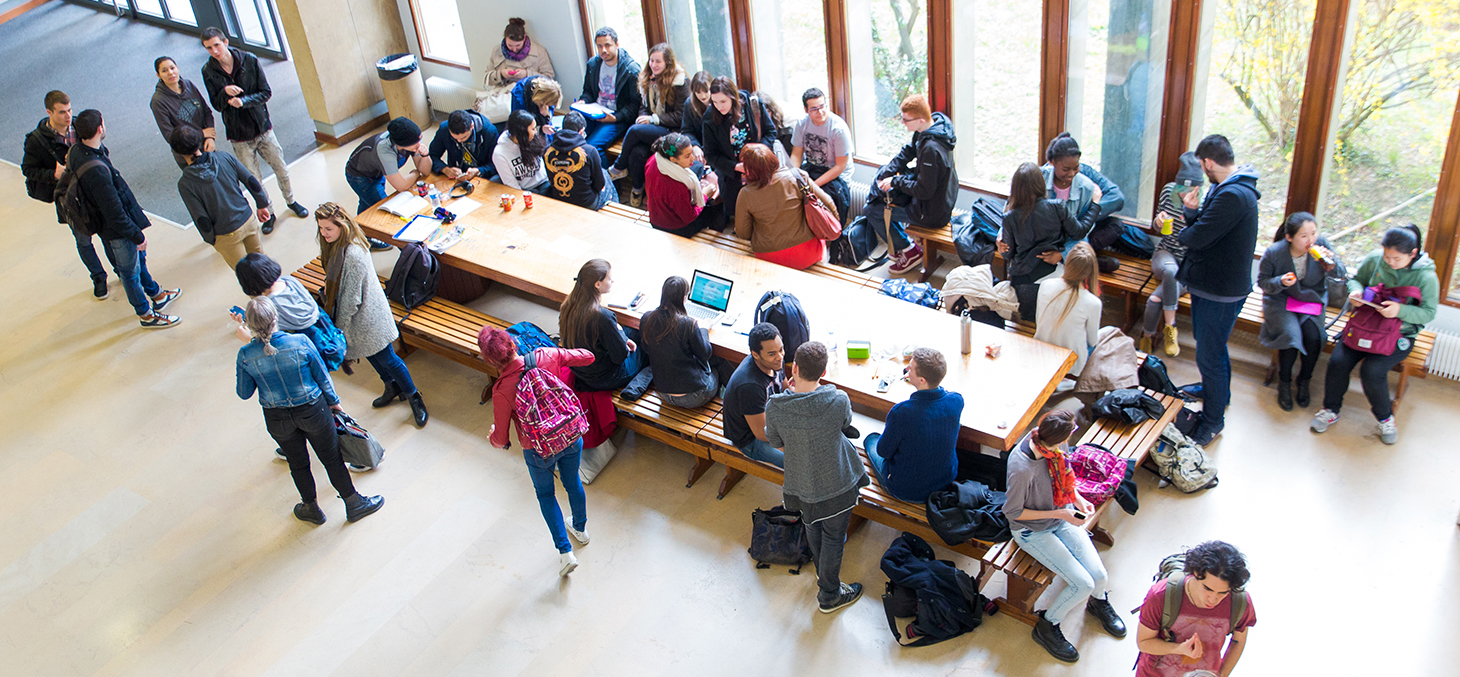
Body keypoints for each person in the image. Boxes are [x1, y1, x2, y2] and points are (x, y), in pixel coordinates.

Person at [235, 296, 384, 525]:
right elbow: (322, 377)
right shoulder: (300, 342)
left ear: (250, 324)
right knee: (332, 458)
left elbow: (244, 393)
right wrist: (335, 403)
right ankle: (354, 503)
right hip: (313, 410)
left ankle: (310, 508)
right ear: (276, 318)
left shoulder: (245, 355)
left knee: (297, 463)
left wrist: (248, 347)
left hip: (276, 418)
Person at [1003, 410, 1125, 663]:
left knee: (1100, 577)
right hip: (1032, 530)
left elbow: (1065, 478)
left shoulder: (1054, 444)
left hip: (1061, 517)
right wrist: (1061, 513)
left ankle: (1097, 603)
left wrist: (1076, 499)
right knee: (1083, 584)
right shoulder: (1022, 468)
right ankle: (1047, 626)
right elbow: (1013, 512)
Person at [480, 327, 593, 577]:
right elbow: (587, 357)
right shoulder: (545, 355)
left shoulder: (501, 390)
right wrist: (560, 354)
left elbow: (501, 439)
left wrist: (492, 436)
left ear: (491, 361)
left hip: (538, 449)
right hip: (569, 433)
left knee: (545, 494)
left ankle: (565, 553)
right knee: (573, 482)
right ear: (513, 344)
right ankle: (581, 529)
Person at [766, 341, 869, 613]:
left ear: (795, 368)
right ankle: (829, 595)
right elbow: (845, 424)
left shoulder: (776, 406)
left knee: (812, 527)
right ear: (823, 372)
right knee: (834, 537)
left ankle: (824, 578)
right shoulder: (838, 399)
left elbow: (775, 441)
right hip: (838, 482)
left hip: (802, 484)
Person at [1312, 224, 1437, 444]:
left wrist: (1400, 310)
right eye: (1387, 256)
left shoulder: (1426, 277)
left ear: (1413, 254)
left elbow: (1428, 313)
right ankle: (1330, 410)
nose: (1390, 262)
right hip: (1364, 325)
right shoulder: (1375, 259)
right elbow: (1356, 279)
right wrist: (1356, 291)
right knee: (1338, 362)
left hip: (1399, 333)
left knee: (1372, 371)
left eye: (1397, 258)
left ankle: (1386, 419)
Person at [1177, 134, 1260, 446]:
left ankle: (1212, 420)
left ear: (1208, 163)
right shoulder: (1227, 187)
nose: (1203, 171)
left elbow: (1197, 238)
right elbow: (1206, 228)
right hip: (1211, 284)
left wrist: (1186, 228)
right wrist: (1191, 212)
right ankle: (1219, 393)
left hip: (1220, 290)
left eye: (1202, 165)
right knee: (1213, 346)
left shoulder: (1233, 195)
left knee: (1209, 355)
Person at [315, 202, 429, 427]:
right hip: (355, 319)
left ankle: (414, 396)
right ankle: (391, 386)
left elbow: (351, 299)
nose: (323, 233)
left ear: (342, 225)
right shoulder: (336, 246)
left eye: (328, 228)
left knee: (388, 358)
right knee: (370, 355)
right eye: (321, 228)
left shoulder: (354, 254)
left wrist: (338, 328)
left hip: (369, 317)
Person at [68, 109, 183, 329]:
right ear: (100, 128)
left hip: (107, 224)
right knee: (130, 273)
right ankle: (146, 314)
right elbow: (115, 212)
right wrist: (136, 235)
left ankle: (157, 295)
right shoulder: (97, 172)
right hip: (117, 231)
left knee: (138, 262)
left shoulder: (78, 151)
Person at [200, 28, 308, 221]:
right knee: (254, 179)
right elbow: (216, 104)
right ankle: (269, 212)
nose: (214, 51)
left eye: (216, 45)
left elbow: (265, 92)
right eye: (209, 48)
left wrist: (244, 101)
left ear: (225, 42)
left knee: (281, 169)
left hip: (262, 128)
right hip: (239, 135)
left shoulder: (249, 60)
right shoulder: (208, 71)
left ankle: (291, 201)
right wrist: (225, 92)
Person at [22, 90, 111, 300]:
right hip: (70, 197)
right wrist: (53, 174)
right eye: (62, 112)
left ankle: (119, 269)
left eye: (69, 110)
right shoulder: (36, 140)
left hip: (93, 189)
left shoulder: (79, 125)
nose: (68, 116)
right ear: (49, 112)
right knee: (83, 240)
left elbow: (101, 149)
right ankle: (98, 277)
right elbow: (28, 169)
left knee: (108, 232)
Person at [1258, 212, 1345, 411]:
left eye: (1313, 233)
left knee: (1314, 337)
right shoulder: (1275, 252)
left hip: (1310, 299)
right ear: (1289, 237)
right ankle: (1284, 382)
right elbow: (1262, 282)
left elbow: (1341, 274)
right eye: (1304, 236)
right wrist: (1280, 281)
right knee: (1290, 336)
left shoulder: (1321, 245)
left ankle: (1304, 379)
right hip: (1281, 299)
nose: (1311, 240)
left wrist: (1331, 261)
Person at [868, 94, 959, 275]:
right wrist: (888, 172)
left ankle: (909, 251)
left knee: (872, 210)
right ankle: (900, 245)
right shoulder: (932, 126)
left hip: (932, 212)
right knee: (881, 193)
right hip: (933, 199)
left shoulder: (931, 149)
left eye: (906, 120)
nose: (902, 123)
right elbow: (908, 151)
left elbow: (924, 191)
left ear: (920, 120)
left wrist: (895, 181)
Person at [1135, 541, 1256, 677]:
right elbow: (1144, 642)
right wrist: (1179, 648)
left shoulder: (1240, 602)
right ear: (1196, 573)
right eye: (1207, 589)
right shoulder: (1160, 595)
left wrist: (1222, 675)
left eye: (1223, 593)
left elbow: (1238, 641)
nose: (1213, 599)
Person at [863, 347, 962, 503]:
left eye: (910, 369)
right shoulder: (957, 401)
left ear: (922, 380)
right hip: (944, 481)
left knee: (871, 439)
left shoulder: (902, 412)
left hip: (906, 490)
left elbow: (883, 452)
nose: (906, 371)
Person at [172, 125, 270, 267]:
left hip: (226, 234)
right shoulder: (224, 157)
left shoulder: (185, 184)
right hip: (248, 219)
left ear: (177, 152)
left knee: (245, 272)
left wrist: (211, 239)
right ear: (199, 141)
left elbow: (200, 218)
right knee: (262, 260)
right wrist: (262, 204)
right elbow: (251, 181)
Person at [607, 43, 689, 207]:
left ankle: (619, 166)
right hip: (655, 127)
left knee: (634, 131)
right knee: (636, 153)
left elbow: (680, 116)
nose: (653, 65)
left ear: (667, 62)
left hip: (672, 131)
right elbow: (644, 106)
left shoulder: (680, 82)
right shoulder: (648, 78)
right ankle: (638, 188)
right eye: (651, 60)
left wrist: (652, 120)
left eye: (658, 61)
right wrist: (643, 118)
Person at [1140, 152, 1204, 357]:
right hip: (1165, 253)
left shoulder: (1206, 204)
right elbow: (1157, 228)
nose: (1184, 195)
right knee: (1170, 270)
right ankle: (1171, 327)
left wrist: (1192, 215)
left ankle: (1147, 337)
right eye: (1181, 190)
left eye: (1190, 191)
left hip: (1189, 265)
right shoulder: (1168, 191)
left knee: (1154, 299)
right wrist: (1158, 222)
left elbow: (1202, 242)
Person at [735, 143, 835, 270]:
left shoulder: (745, 194)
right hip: (807, 254)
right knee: (821, 242)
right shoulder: (796, 177)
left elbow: (743, 233)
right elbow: (828, 202)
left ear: (748, 170)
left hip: (768, 257)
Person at [639, 276, 728, 408]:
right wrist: (703, 328)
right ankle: (734, 405)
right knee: (718, 365)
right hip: (693, 396)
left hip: (663, 392)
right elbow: (705, 354)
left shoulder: (647, 318)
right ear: (684, 298)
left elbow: (646, 348)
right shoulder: (687, 323)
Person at [559, 259, 644, 391]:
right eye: (609, 279)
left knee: (628, 332)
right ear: (597, 284)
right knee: (642, 341)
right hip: (606, 378)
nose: (612, 281)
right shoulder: (602, 316)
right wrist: (620, 333)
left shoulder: (568, 306)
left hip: (580, 372)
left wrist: (621, 335)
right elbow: (620, 357)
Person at [1042, 133, 1124, 271]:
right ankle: (1085, 260)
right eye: (1065, 169)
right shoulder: (1040, 177)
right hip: (1044, 241)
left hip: (1074, 236)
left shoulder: (1086, 185)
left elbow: (1117, 198)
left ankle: (1076, 257)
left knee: (1116, 225)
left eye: (1075, 168)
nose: (1071, 174)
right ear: (1052, 162)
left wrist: (1092, 210)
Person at [702, 76, 777, 219]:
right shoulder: (710, 117)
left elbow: (770, 132)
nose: (719, 107)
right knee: (740, 215)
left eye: (723, 101)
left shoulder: (752, 104)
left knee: (765, 212)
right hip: (731, 176)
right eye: (715, 102)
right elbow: (710, 154)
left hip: (758, 169)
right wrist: (736, 167)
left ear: (733, 97)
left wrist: (758, 154)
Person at [998, 162, 1083, 285]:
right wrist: (1095, 206)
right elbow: (1078, 233)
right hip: (1053, 272)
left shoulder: (1010, 217)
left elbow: (1007, 254)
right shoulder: (1058, 207)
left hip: (1024, 278)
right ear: (1041, 184)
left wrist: (1001, 245)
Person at [721, 323, 788, 468]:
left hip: (772, 418)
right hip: (750, 439)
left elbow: (785, 389)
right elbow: (762, 434)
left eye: (781, 349)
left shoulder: (774, 362)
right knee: (800, 462)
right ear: (755, 354)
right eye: (772, 354)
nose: (779, 357)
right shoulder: (750, 386)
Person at [1035, 243, 1103, 377]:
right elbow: (1092, 341)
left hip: (1041, 351)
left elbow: (1039, 321)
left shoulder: (1045, 285)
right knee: (1109, 332)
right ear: (1090, 271)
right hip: (1071, 362)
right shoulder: (1093, 302)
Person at [344, 117, 433, 216]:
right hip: (361, 176)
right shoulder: (385, 151)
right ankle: (361, 223)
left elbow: (425, 172)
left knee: (367, 202)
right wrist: (415, 173)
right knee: (383, 208)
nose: (418, 145)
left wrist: (425, 155)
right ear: (401, 144)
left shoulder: (412, 141)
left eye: (419, 140)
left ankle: (359, 223)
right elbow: (401, 186)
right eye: (414, 143)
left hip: (378, 170)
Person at [790, 87, 854, 225]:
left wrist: (812, 186)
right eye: (814, 109)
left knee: (821, 204)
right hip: (813, 167)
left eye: (822, 106)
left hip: (835, 175)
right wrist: (792, 176)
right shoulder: (802, 123)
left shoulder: (838, 129)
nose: (820, 112)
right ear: (806, 110)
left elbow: (840, 166)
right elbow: (796, 155)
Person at [577, 27, 642, 158]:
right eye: (599, 46)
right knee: (573, 140)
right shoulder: (593, 64)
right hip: (594, 113)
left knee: (592, 147)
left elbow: (635, 105)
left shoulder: (631, 70)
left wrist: (616, 117)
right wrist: (583, 101)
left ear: (617, 44)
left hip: (617, 117)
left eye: (607, 45)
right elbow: (588, 92)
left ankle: (608, 172)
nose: (603, 50)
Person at [643, 132, 721, 237]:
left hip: (655, 216)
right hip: (674, 227)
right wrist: (704, 194)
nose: (692, 158)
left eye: (691, 153)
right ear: (673, 159)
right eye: (687, 156)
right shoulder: (677, 186)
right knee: (715, 208)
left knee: (698, 166)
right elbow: (689, 217)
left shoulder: (654, 160)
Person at [151, 56, 217, 170]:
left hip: (207, 146)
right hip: (187, 155)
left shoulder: (189, 85)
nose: (170, 73)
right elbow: (169, 135)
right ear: (158, 75)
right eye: (164, 71)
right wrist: (202, 134)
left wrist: (210, 137)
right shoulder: (158, 101)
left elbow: (206, 111)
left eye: (172, 68)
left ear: (177, 68)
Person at [544, 111, 617, 210]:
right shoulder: (589, 151)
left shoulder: (547, 151)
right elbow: (599, 185)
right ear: (582, 131)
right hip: (587, 203)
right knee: (605, 175)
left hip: (559, 198)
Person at [428, 109, 498, 182]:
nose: (459, 141)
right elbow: (432, 155)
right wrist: (444, 169)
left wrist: (478, 170)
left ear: (472, 126)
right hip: (456, 176)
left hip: (482, 176)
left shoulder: (489, 132)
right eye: (455, 138)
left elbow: (497, 164)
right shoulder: (444, 129)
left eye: (464, 137)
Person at [484, 18, 556, 89]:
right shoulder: (497, 51)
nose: (514, 49)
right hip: (501, 93)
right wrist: (501, 74)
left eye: (518, 45)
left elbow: (549, 79)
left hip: (528, 93)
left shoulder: (539, 52)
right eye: (510, 45)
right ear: (505, 39)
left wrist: (527, 74)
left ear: (524, 38)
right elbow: (486, 79)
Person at [492, 110, 550, 194]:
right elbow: (512, 186)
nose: (536, 132)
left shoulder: (532, 138)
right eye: (533, 129)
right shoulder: (499, 153)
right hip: (525, 190)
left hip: (544, 181)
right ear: (522, 133)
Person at [679, 70, 713, 147]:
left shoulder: (718, 101)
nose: (703, 96)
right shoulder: (689, 104)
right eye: (698, 92)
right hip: (699, 146)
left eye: (706, 91)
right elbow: (687, 131)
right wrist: (695, 145)